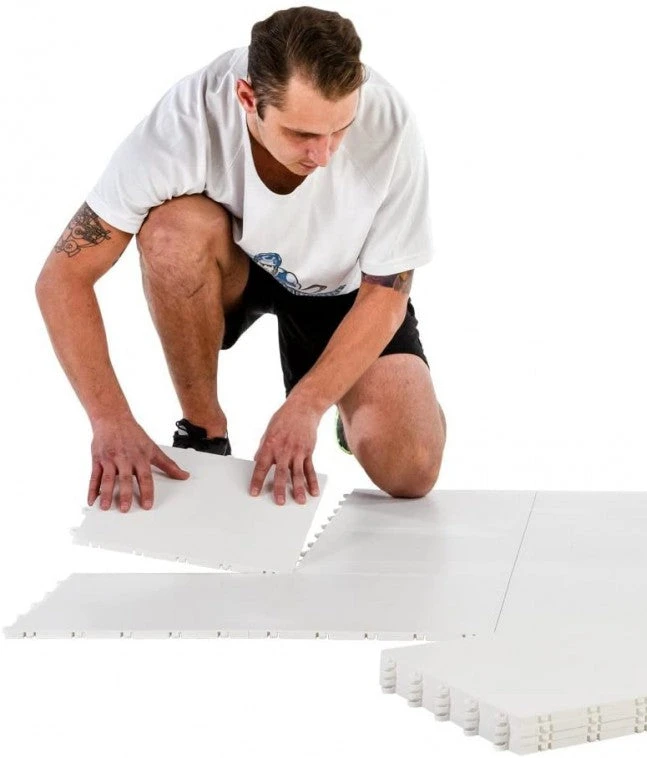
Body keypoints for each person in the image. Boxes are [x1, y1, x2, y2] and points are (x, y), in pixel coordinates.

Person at [34, 7, 446, 513]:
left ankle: (348, 399)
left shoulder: (390, 123)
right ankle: (204, 432)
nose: (324, 155)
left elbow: (387, 294)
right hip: (240, 266)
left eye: (340, 129)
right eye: (302, 134)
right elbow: (62, 277)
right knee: (170, 232)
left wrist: (309, 404)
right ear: (248, 99)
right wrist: (109, 419)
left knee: (411, 470)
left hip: (343, 292)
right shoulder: (185, 122)